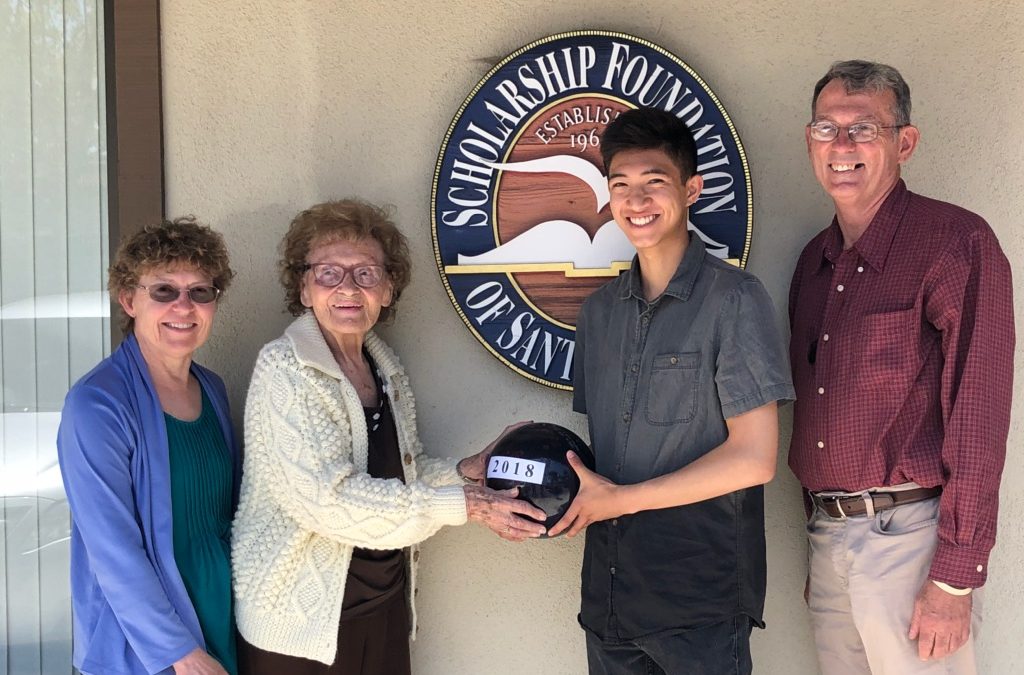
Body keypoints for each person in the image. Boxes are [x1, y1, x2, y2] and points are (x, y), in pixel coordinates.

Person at [231, 199, 546, 674]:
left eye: (365, 273)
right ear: (303, 285)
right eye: (329, 273)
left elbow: (405, 470)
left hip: (382, 605)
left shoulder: (383, 366)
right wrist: (468, 507)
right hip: (301, 623)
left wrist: (467, 474)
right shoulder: (286, 368)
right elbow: (327, 501)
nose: (348, 288)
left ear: (388, 287)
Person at [548, 107, 795, 674]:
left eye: (654, 183)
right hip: (608, 598)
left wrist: (622, 501)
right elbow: (607, 453)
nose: (636, 202)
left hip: (699, 604)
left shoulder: (734, 300)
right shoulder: (598, 315)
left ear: (691, 189)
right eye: (621, 186)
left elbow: (755, 459)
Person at [789, 60, 1014, 674]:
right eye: (825, 128)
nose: (841, 146)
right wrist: (825, 557)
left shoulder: (955, 243)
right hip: (828, 538)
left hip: (912, 543)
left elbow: (979, 415)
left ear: (904, 142)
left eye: (864, 129)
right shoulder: (814, 263)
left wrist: (955, 577)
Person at [57, 218, 240, 675]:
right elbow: (111, 549)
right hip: (145, 640)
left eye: (201, 291)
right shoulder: (98, 404)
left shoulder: (212, 389)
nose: (184, 305)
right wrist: (181, 653)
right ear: (128, 300)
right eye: (163, 290)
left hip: (215, 605)